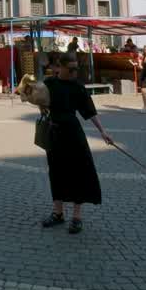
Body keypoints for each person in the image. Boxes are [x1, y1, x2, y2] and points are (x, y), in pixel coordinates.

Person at [39, 56, 112, 234]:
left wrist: (103, 131)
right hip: (54, 133)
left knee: (78, 172)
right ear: (59, 67)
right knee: (56, 172)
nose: (74, 73)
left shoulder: (77, 86)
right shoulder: (49, 83)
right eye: (71, 69)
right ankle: (58, 213)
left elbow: (90, 111)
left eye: (76, 69)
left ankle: (77, 217)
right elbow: (39, 101)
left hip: (73, 133)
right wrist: (39, 105)